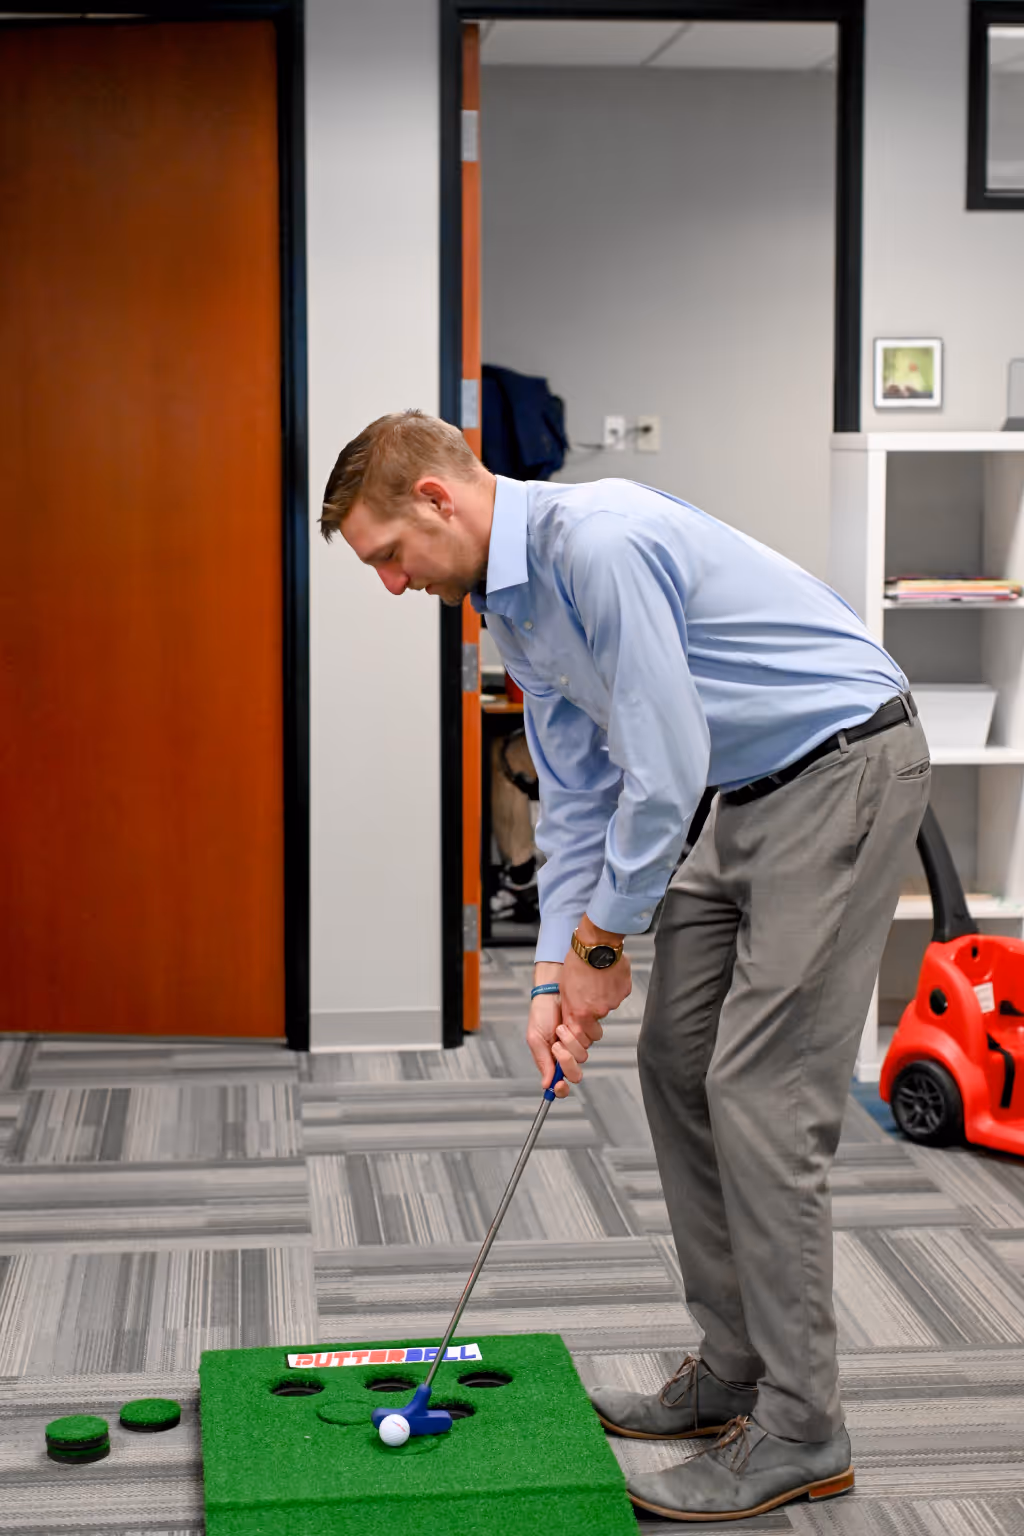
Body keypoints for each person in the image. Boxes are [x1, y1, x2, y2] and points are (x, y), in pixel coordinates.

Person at [320, 410, 930, 1522]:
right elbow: (584, 800)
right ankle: (732, 1367)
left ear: (436, 501)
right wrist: (557, 976)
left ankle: (803, 1428)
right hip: (740, 796)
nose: (394, 586)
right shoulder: (510, 605)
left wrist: (605, 942)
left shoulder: (594, 542)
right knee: (674, 1060)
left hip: (841, 765)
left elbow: (663, 761)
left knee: (761, 1094)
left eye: (389, 557)